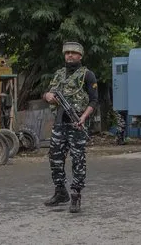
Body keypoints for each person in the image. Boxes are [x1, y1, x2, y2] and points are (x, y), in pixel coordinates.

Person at [43, 41, 98, 213]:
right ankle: (61, 192)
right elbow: (47, 93)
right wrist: (48, 96)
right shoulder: (59, 75)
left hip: (77, 124)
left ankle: (75, 194)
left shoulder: (87, 75)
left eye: (73, 53)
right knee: (55, 159)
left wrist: (83, 117)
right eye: (67, 53)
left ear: (80, 56)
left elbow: (94, 100)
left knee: (78, 160)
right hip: (60, 123)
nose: (70, 56)